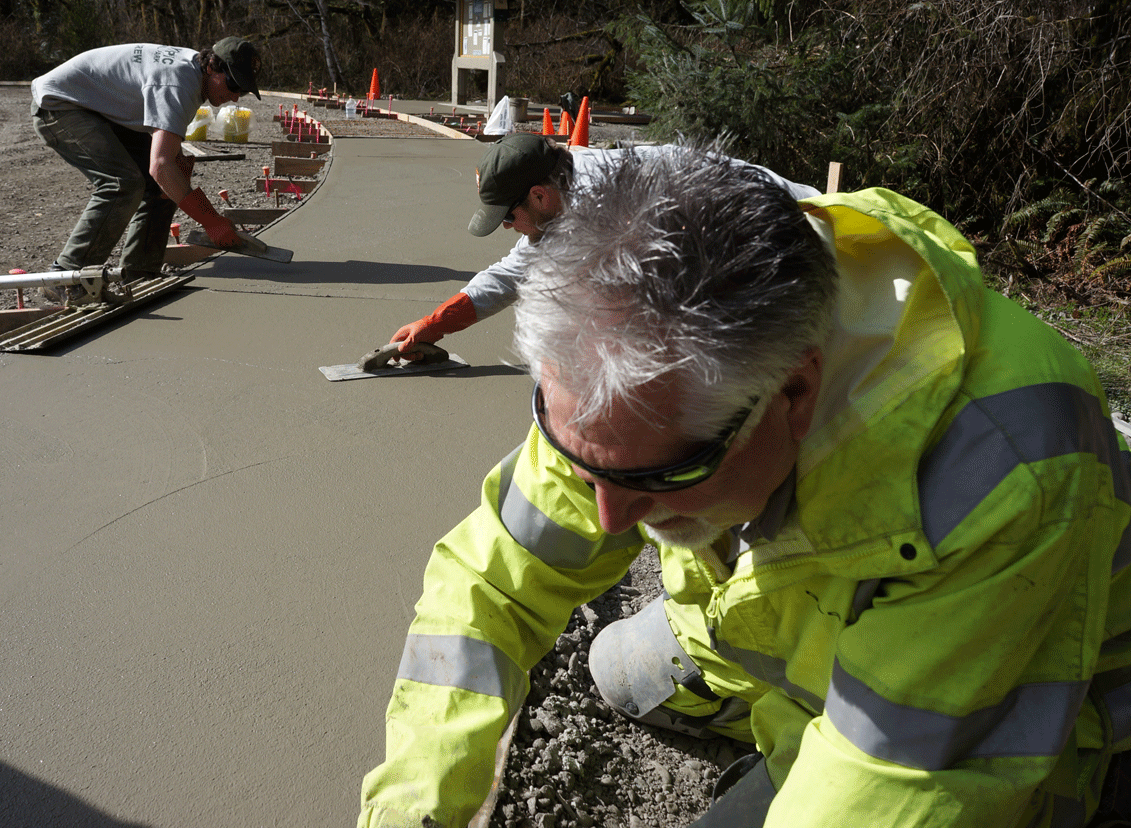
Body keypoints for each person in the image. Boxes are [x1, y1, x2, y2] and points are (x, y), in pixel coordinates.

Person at [358, 145, 1131, 827]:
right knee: (616, 674)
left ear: (793, 394)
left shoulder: (1001, 467)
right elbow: (489, 588)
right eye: (587, 465)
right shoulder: (627, 386)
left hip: (1001, 687)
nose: (610, 514)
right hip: (788, 621)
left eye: (660, 478)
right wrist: (409, 810)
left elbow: (895, 779)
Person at [387, 133, 818, 357]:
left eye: (507, 216)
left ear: (538, 195)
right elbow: (514, 271)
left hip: (796, 227)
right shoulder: (563, 180)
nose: (506, 228)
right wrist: (435, 323)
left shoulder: (607, 211)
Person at [30, 37, 262, 298]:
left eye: (241, 91)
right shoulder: (178, 83)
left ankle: (140, 273)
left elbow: (166, 166)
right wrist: (212, 221)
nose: (234, 96)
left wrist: (177, 181)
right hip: (60, 105)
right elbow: (161, 166)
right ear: (211, 66)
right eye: (232, 84)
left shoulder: (194, 74)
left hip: (96, 107)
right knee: (123, 183)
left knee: (164, 185)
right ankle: (65, 278)